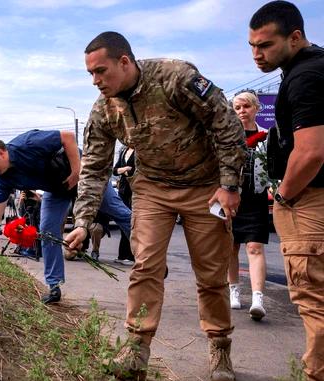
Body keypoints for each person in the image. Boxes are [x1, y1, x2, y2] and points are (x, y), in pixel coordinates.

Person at [65, 32, 246, 380]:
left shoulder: (175, 77)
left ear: (124, 61)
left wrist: (229, 186)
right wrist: (83, 220)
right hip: (153, 189)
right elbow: (94, 168)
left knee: (210, 275)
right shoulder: (104, 110)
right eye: (90, 74)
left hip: (205, 187)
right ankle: (136, 351)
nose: (96, 81)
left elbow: (227, 124)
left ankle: (220, 345)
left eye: (101, 71)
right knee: (145, 266)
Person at [0, 130, 131, 304]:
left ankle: (151, 255)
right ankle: (54, 286)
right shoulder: (2, 178)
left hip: (83, 176)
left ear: (1, 152)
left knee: (120, 213)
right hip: (57, 189)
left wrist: (77, 172)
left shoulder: (28, 143)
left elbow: (68, 137)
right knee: (48, 231)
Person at [249, 2, 324, 379]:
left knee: (314, 299)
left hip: (310, 199)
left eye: (265, 45)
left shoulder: (306, 75)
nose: (256, 54)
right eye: (252, 46)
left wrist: (283, 196)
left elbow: (310, 152)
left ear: (295, 37)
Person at [228, 91, 270, 321]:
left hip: (256, 198)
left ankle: (257, 298)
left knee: (254, 246)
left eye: (246, 106)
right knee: (230, 247)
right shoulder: (227, 137)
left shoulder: (267, 137)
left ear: (256, 108)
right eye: (237, 108)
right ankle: (233, 289)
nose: (242, 111)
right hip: (231, 198)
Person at [113, 146, 135, 265]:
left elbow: (135, 170)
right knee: (123, 222)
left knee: (132, 223)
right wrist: (125, 169)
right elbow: (115, 170)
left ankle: (132, 256)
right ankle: (122, 255)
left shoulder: (139, 151)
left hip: (134, 191)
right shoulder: (123, 151)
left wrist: (123, 171)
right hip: (123, 191)